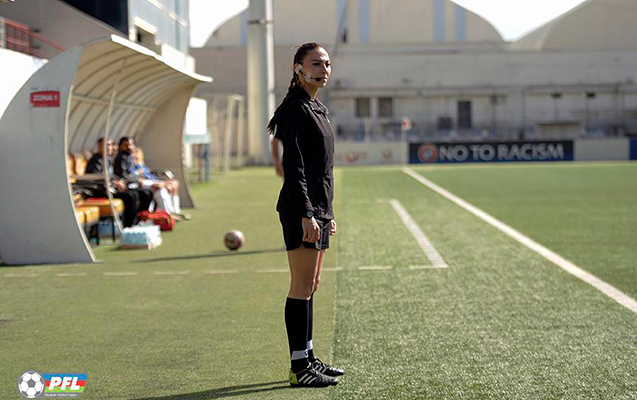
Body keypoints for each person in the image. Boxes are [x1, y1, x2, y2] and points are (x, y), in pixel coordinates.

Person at [267, 42, 343, 388]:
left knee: (312, 284)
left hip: (319, 210)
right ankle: (299, 367)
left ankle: (309, 357)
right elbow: (294, 166)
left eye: (326, 64)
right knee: (300, 285)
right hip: (302, 210)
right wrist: (308, 213)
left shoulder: (317, 108)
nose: (323, 69)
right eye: (315, 63)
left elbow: (322, 169)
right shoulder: (296, 108)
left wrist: (328, 212)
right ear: (298, 68)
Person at [85, 138, 142, 227]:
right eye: (107, 145)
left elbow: (111, 176)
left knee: (134, 194)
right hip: (99, 192)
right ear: (99, 147)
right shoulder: (96, 161)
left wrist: (119, 181)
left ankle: (134, 222)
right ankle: (127, 225)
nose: (110, 147)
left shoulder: (107, 159)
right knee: (129, 197)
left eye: (111, 145)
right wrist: (114, 183)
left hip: (109, 189)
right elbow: (95, 179)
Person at [112, 137, 154, 214]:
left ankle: (143, 215)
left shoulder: (128, 157)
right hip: (125, 185)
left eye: (130, 145)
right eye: (126, 145)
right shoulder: (121, 158)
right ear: (120, 146)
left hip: (131, 183)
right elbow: (124, 176)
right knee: (134, 195)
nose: (129, 147)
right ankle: (133, 219)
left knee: (148, 193)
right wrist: (137, 179)